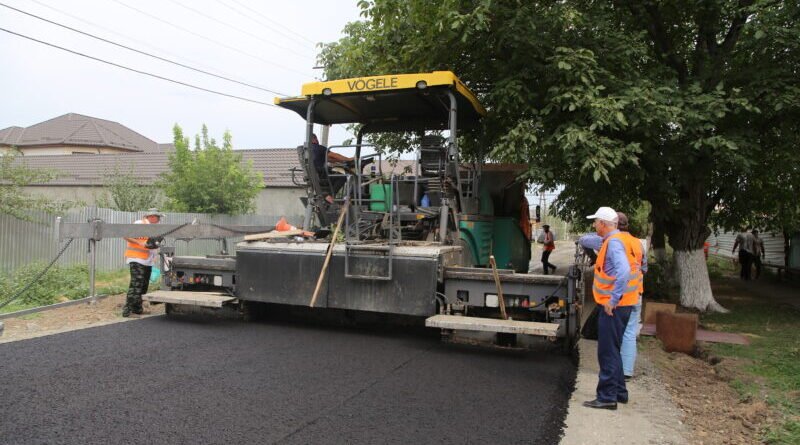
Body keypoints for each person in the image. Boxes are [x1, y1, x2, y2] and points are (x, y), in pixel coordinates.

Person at [580, 207, 643, 410]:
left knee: (606, 352)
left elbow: (623, 271)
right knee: (614, 350)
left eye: (596, 222)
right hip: (626, 303)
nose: (593, 225)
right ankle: (619, 392)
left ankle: (607, 397)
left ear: (603, 224)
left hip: (614, 306)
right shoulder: (623, 240)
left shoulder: (614, 243)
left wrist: (612, 299)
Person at [122, 208, 162, 317]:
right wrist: (140, 243)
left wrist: (154, 255)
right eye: (158, 218)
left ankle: (137, 309)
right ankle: (128, 311)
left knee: (143, 286)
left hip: (146, 261)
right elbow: (126, 235)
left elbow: (152, 244)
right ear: (152, 217)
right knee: (136, 285)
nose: (159, 220)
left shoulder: (153, 228)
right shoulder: (140, 224)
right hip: (136, 259)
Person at [309, 133, 352, 204]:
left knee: (332, 174)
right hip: (321, 174)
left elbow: (329, 159)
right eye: (317, 139)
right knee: (342, 177)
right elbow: (335, 155)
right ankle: (330, 195)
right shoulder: (319, 148)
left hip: (313, 175)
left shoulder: (307, 151)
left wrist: (342, 161)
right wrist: (349, 159)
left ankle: (326, 195)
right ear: (315, 139)